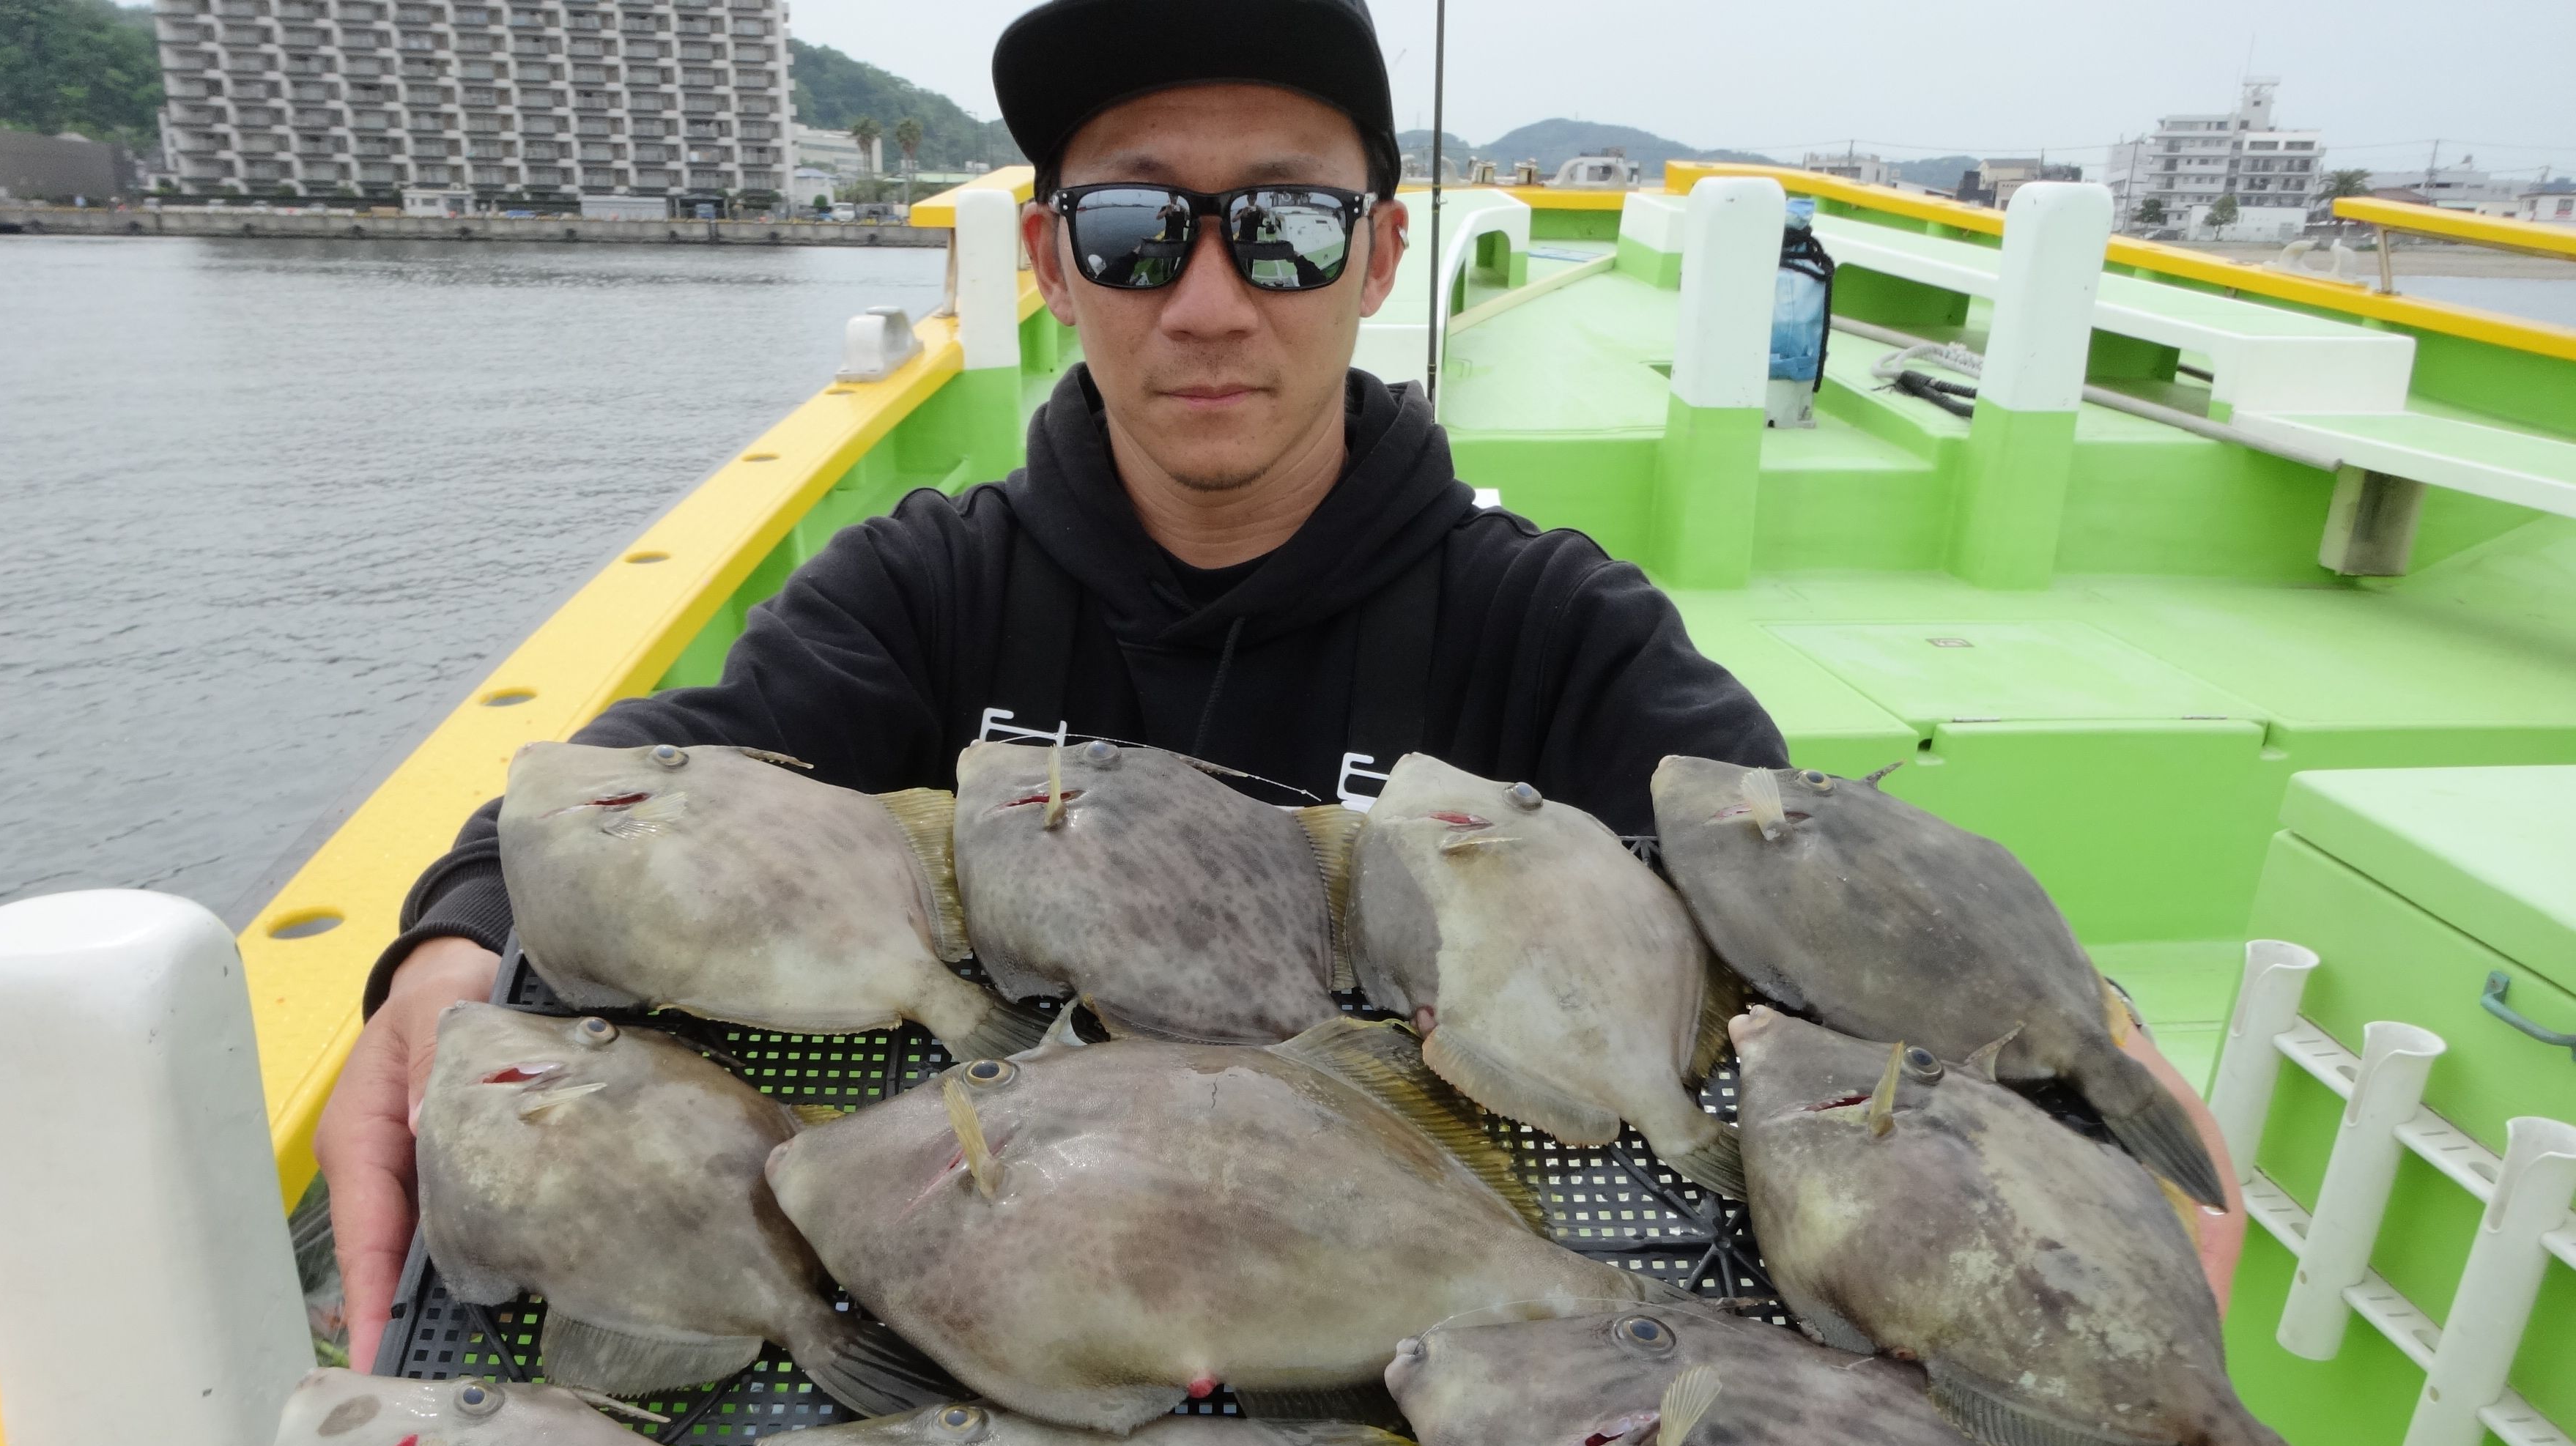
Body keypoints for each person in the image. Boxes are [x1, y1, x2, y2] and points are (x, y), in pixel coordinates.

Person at [317, 0, 2227, 1366]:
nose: (1212, 302)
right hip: (1028, 1302)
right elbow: (661, 774)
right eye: (1136, 229)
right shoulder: (929, 592)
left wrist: (2064, 1039)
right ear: (1054, 261)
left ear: (1379, 255)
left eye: (1289, 227)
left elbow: (1803, 879)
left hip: (1437, 1332)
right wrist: (453, 939)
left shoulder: (1545, 625)